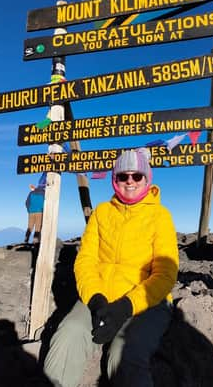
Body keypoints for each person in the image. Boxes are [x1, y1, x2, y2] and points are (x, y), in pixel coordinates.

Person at [43, 148, 178, 387]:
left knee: (124, 354)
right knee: (68, 334)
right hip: (98, 295)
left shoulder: (160, 216)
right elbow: (85, 261)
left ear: (147, 179)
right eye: (122, 176)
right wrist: (95, 300)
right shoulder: (101, 213)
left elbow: (165, 274)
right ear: (114, 179)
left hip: (147, 302)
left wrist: (126, 307)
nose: (130, 181)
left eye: (137, 176)